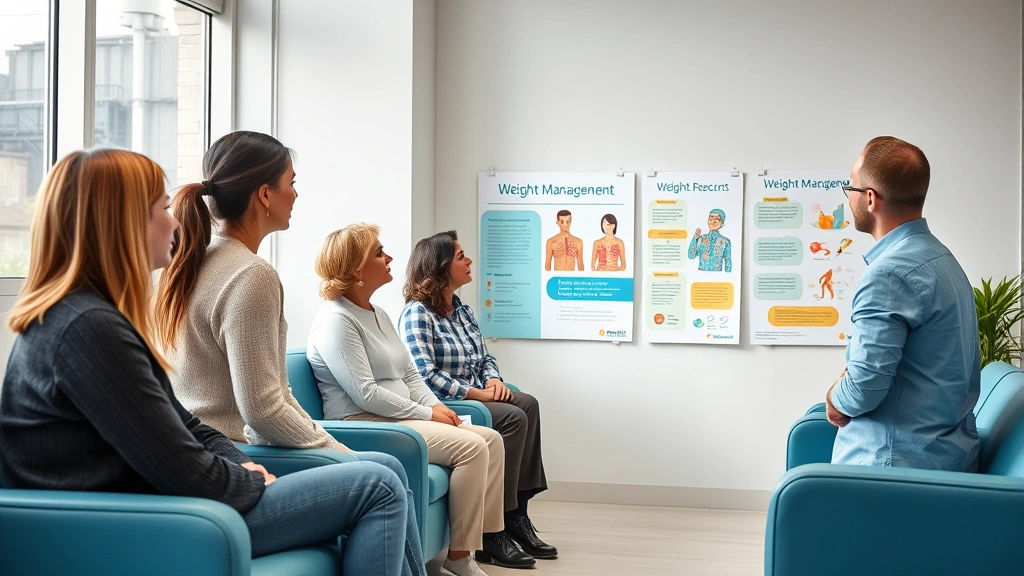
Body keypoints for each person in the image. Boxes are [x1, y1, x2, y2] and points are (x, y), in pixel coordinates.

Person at [0, 149, 419, 574]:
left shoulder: (89, 317)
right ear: (123, 224)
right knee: (378, 484)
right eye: (162, 208)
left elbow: (183, 422)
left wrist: (237, 462)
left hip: (149, 508)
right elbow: (181, 466)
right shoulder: (87, 328)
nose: (176, 221)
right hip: (131, 525)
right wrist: (250, 478)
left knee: (380, 475)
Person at [154, 132, 426, 574]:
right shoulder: (250, 275)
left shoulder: (193, 260)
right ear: (265, 194)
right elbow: (261, 410)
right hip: (230, 454)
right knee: (380, 477)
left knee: (385, 465)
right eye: (291, 182)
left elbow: (271, 395)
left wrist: (330, 447)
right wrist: (333, 449)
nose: (296, 193)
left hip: (214, 450)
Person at [307, 224, 533, 576]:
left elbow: (411, 374)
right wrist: (426, 412)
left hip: (400, 417)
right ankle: (459, 559)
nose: (390, 257)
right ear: (356, 270)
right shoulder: (336, 320)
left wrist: (437, 408)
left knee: (490, 439)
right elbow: (365, 393)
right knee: (473, 448)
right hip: (364, 423)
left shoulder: (377, 313)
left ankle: (479, 543)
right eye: (379, 253)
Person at [400, 230, 558, 562]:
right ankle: (491, 534)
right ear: (440, 266)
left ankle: (517, 518)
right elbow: (425, 375)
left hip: (477, 395)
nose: (469, 260)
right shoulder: (417, 313)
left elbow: (484, 357)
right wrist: (480, 394)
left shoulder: (463, 310)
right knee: (513, 418)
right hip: (449, 403)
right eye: (460, 256)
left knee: (527, 403)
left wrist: (495, 381)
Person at [826, 136, 980, 472]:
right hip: (942, 456)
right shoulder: (944, 260)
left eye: (850, 188)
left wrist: (834, 396)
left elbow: (863, 390)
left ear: (870, 199)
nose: (848, 197)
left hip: (891, 465)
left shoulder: (889, 275)